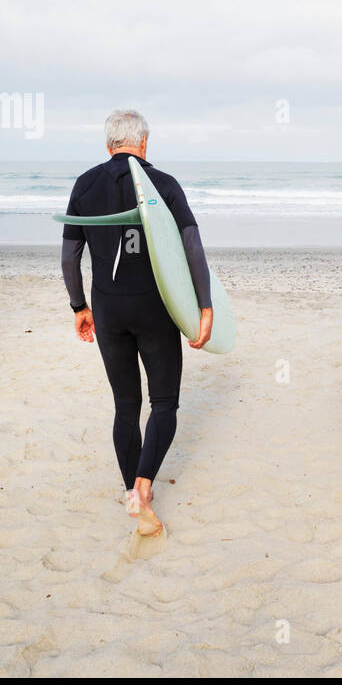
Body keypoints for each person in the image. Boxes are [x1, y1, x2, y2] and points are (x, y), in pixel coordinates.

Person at [61, 110, 213, 537]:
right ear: (144, 144)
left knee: (126, 405)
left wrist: (79, 306)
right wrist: (204, 306)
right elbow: (191, 245)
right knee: (164, 403)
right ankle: (145, 485)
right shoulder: (162, 184)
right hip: (154, 309)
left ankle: (131, 489)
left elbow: (69, 254)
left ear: (109, 145)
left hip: (108, 310)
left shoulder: (85, 185)